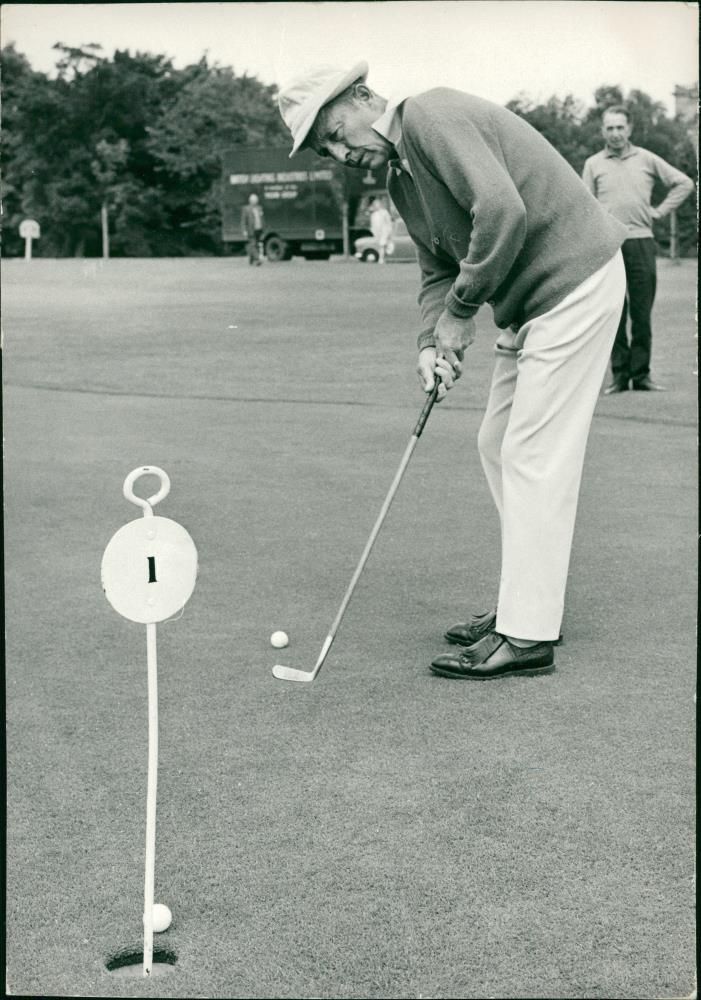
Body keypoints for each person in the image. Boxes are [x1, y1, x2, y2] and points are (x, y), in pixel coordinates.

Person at [277, 62, 628, 681]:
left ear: (362, 98)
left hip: (575, 279)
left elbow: (502, 211)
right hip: (531, 304)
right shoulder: (400, 182)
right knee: (497, 443)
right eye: (323, 148)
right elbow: (437, 269)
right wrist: (430, 343)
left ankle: (527, 632)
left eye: (334, 131)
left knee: (530, 452)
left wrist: (462, 315)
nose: (337, 152)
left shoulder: (430, 117)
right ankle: (528, 603)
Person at [582, 105, 694, 393]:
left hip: (642, 242)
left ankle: (641, 375)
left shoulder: (646, 158)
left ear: (629, 129)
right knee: (615, 313)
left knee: (641, 313)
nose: (615, 133)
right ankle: (620, 376)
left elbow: (684, 183)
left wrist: (658, 212)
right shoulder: (594, 164)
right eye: (610, 128)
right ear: (602, 130)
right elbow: (585, 205)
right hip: (608, 245)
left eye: (620, 127)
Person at [241, 193, 264, 265]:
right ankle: (257, 259)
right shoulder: (246, 209)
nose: (255, 201)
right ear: (250, 201)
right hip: (251, 230)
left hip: (259, 229)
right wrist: (244, 230)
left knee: (256, 244)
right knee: (253, 244)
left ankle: (251, 259)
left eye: (256, 200)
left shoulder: (259, 208)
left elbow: (262, 218)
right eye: (254, 200)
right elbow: (243, 221)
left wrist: (263, 227)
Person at [369, 196, 394, 263]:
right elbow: (373, 224)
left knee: (382, 245)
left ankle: (381, 259)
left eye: (377, 204)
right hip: (377, 232)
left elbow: (388, 222)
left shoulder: (384, 212)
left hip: (384, 231)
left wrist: (389, 230)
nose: (376, 205)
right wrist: (373, 231)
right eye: (375, 204)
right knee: (381, 246)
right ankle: (383, 258)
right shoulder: (373, 214)